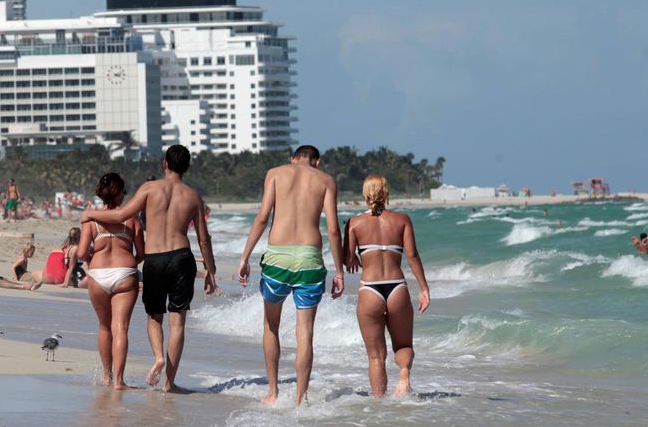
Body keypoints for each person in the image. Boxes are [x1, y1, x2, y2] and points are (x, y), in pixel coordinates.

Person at [83, 145, 217, 393]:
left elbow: (121, 213)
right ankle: (169, 382)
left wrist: (89, 214)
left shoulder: (149, 189)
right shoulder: (193, 197)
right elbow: (204, 239)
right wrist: (211, 272)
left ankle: (158, 356)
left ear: (164, 163)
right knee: (178, 323)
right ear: (187, 167)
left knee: (154, 316)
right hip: (181, 257)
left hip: (155, 259)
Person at [237, 145, 345, 407]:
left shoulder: (275, 173)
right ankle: (300, 398)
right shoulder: (326, 181)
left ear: (293, 159)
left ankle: (273, 392)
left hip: (277, 258)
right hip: (309, 258)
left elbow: (262, 218)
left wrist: (245, 257)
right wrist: (339, 271)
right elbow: (332, 229)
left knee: (271, 326)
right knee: (305, 333)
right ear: (316, 162)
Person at [343, 175, 430, 398]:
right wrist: (424, 289)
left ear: (365, 194)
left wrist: (352, 257)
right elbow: (412, 256)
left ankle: (379, 407)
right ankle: (403, 373)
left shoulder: (354, 223)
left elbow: (348, 260)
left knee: (375, 357)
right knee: (403, 346)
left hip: (370, 288)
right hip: (397, 288)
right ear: (387, 192)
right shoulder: (402, 220)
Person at [80, 173, 145, 390]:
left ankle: (106, 376)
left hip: (98, 274)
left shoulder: (91, 220)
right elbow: (141, 253)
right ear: (120, 194)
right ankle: (119, 381)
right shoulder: (133, 219)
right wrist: (130, 265)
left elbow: (81, 253)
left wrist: (93, 262)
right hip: (125, 272)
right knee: (121, 327)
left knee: (104, 326)